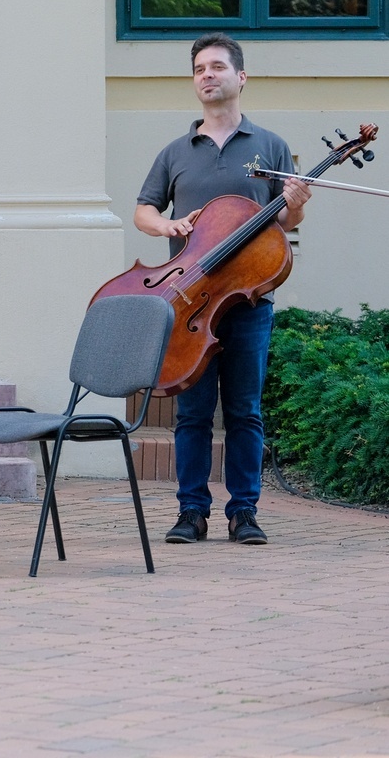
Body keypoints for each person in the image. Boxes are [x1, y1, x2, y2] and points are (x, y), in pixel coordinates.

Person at [135, 33, 310, 547]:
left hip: (249, 301)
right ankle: (191, 512)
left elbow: (287, 221)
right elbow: (144, 210)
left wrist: (297, 203)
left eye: (216, 66)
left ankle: (244, 513)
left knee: (244, 410)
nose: (206, 75)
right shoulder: (175, 151)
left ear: (241, 76)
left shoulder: (270, 146)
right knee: (191, 412)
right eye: (199, 69)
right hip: (188, 298)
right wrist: (167, 226)